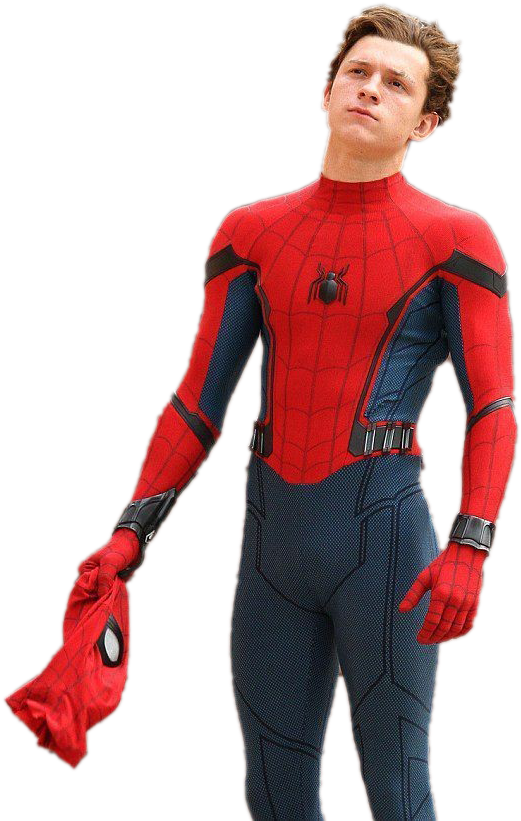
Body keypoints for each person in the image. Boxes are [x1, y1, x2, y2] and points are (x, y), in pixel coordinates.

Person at [74, 4, 518, 819]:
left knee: (397, 786)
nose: (369, 89)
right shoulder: (249, 231)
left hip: (388, 545)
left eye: (395, 83)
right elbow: (197, 401)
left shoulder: (456, 238)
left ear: (424, 123)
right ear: (324, 92)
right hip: (270, 545)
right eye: (357, 72)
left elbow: (492, 405)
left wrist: (470, 543)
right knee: (272, 792)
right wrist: (130, 529)